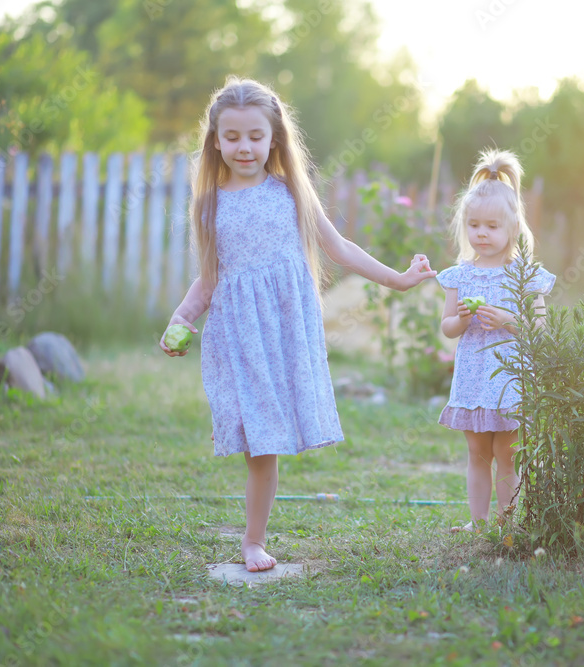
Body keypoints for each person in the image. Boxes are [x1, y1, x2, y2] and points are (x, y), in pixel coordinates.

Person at [160, 77, 437, 571]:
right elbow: (209, 278)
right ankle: (252, 542)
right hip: (241, 334)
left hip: (286, 331)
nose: (244, 147)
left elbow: (340, 249)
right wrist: (181, 317)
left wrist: (397, 280)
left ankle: (254, 540)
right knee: (259, 443)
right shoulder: (209, 204)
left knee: (268, 437)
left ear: (274, 139)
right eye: (232, 137)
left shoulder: (291, 193)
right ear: (215, 141)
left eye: (255, 136)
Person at [436, 149, 555, 533]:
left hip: (508, 378)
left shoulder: (524, 275)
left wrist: (507, 319)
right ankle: (479, 522)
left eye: (491, 226)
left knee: (507, 452)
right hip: (473, 376)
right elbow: (447, 328)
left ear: (513, 228)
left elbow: (540, 329)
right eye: (474, 225)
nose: (481, 234)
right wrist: (461, 319)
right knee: (477, 452)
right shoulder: (460, 275)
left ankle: (507, 522)